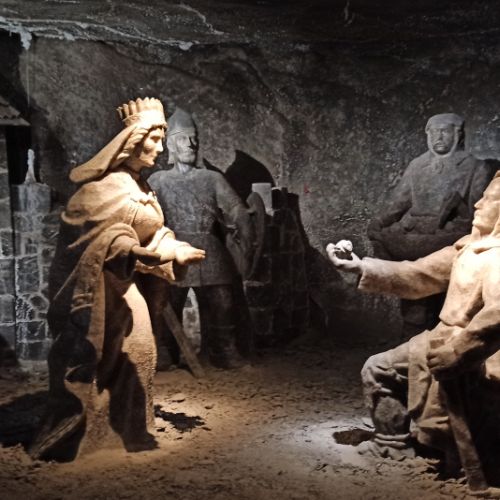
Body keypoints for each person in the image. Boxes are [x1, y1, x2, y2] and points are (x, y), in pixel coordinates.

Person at [30, 97, 205, 461]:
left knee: (140, 352)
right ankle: (82, 436)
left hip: (125, 290)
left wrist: (174, 248)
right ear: (132, 141)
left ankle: (127, 430)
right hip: (97, 296)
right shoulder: (98, 191)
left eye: (162, 140)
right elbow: (94, 239)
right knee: (91, 361)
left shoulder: (142, 188)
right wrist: (135, 251)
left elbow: (151, 234)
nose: (160, 149)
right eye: (154, 140)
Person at [327, 173, 500, 479]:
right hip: (443, 339)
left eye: (488, 199)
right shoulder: (467, 247)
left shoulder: (496, 259)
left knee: (467, 400)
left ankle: (446, 455)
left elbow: (496, 316)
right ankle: (392, 443)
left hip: (480, 350)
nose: (478, 204)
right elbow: (417, 275)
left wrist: (459, 351)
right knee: (379, 368)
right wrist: (360, 267)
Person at [146, 108, 255, 369]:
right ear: (171, 144)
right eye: (184, 138)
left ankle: (223, 351)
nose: (191, 144)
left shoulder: (212, 178)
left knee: (223, 302)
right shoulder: (158, 180)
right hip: (174, 247)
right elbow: (145, 213)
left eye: (194, 138)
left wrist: (245, 227)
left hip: (210, 249)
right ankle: (165, 352)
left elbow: (235, 208)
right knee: (166, 303)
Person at [368, 113, 494, 339]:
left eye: (444, 131)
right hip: (415, 236)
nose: (438, 136)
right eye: (433, 131)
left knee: (446, 299)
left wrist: (455, 222)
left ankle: (442, 345)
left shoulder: (476, 167)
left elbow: (479, 211)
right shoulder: (417, 165)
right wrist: (378, 223)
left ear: (457, 134)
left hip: (450, 237)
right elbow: (398, 203)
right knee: (413, 294)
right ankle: (411, 342)